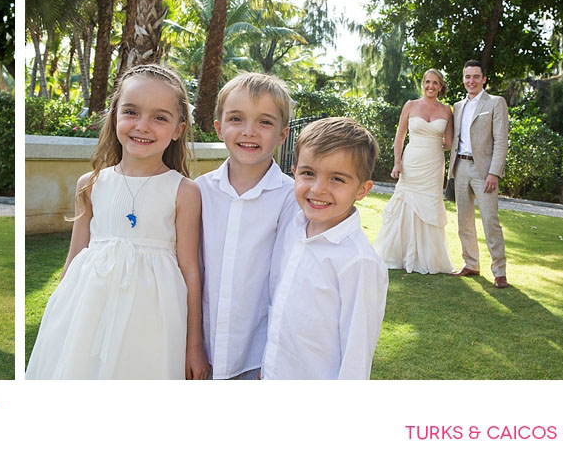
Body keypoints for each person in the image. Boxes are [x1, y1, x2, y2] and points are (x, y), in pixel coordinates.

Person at [25, 64, 210, 379]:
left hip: (153, 319)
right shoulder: (91, 184)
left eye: (160, 117)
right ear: (114, 116)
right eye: (131, 112)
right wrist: (59, 315)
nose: (143, 126)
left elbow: (190, 270)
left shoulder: (184, 191)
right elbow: (74, 257)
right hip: (88, 312)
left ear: (178, 129)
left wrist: (194, 344)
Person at [262, 117, 389, 379]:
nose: (318, 189)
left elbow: (357, 351)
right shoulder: (293, 229)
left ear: (362, 190)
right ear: (294, 172)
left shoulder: (358, 262)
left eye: (337, 179)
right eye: (308, 173)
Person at [195, 72, 296, 380]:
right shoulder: (198, 191)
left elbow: (287, 280)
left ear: (282, 134)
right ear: (218, 127)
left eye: (265, 122)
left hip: (256, 354)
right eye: (236, 119)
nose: (249, 131)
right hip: (202, 348)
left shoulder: (290, 198)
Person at [374, 69, 456, 274]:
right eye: (427, 82)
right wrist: (397, 162)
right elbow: (400, 136)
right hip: (411, 161)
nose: (431, 86)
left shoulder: (447, 111)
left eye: (435, 83)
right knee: (406, 204)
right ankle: (398, 254)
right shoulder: (410, 105)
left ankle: (428, 258)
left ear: (440, 86)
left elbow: (449, 142)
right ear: (423, 84)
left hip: (434, 163)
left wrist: (433, 146)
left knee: (429, 204)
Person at [448, 60, 509, 288]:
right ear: (463, 79)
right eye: (467, 77)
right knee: (464, 221)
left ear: (484, 79)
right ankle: (471, 263)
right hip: (460, 167)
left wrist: (494, 172)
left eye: (475, 76)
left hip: (485, 171)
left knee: (490, 221)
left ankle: (499, 271)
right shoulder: (457, 106)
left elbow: (501, 140)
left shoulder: (495, 103)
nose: (471, 81)